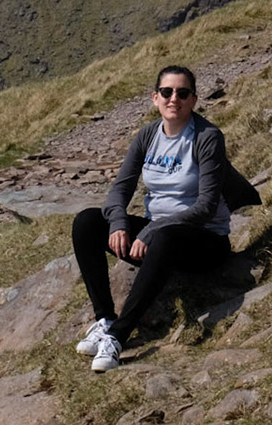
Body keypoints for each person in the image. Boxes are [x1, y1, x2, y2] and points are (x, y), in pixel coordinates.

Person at [70, 65, 234, 373]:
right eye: (167, 92)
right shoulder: (148, 135)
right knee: (87, 223)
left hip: (204, 242)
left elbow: (206, 206)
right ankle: (104, 320)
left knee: (165, 235)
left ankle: (118, 337)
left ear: (194, 100)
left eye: (183, 93)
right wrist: (119, 223)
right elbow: (120, 189)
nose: (174, 99)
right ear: (155, 98)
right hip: (158, 239)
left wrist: (153, 229)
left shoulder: (207, 137)